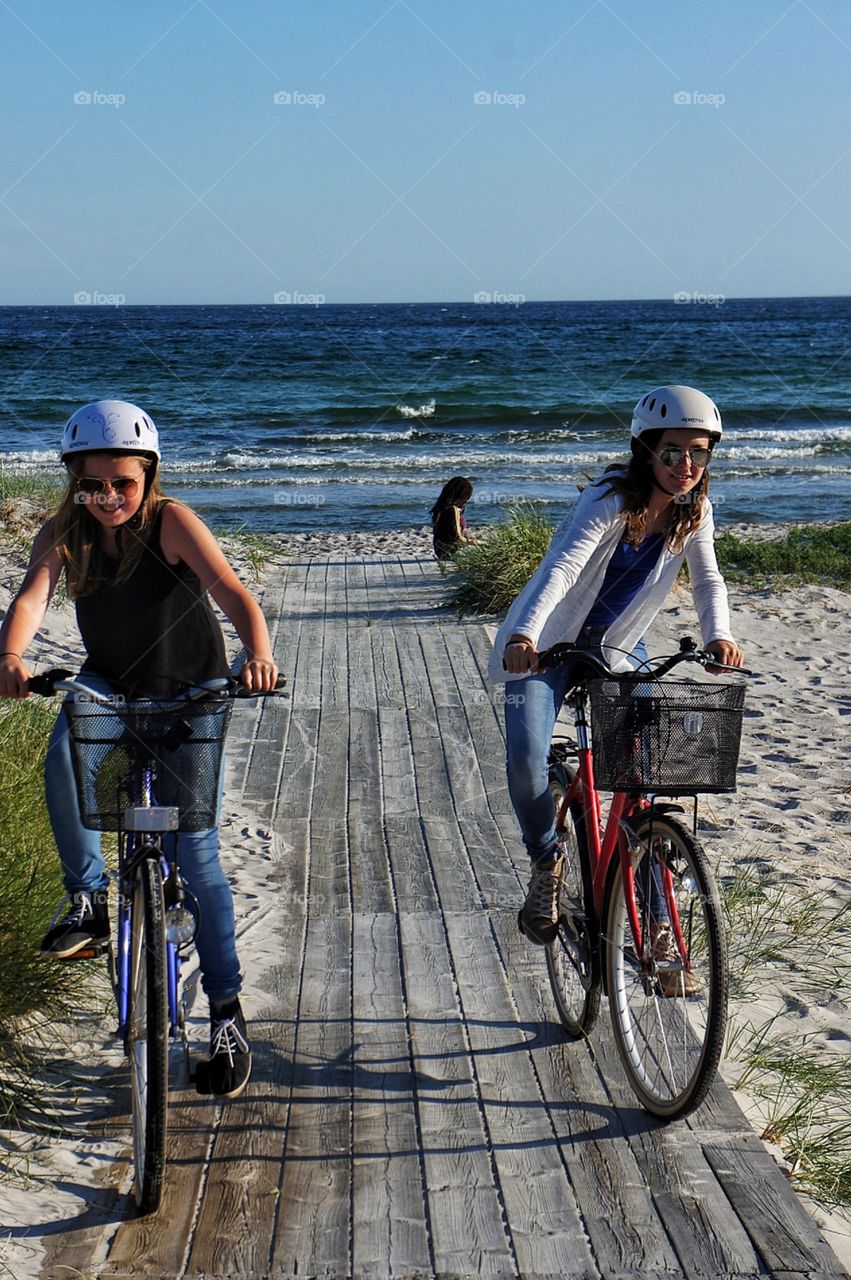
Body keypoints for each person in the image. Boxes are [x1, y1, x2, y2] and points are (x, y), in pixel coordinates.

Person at [0, 400, 278, 1100]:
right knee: (65, 749)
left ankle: (224, 1013)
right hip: (112, 686)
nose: (110, 497)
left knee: (198, 855)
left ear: (147, 476)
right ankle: (89, 901)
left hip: (190, 691)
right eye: (95, 484)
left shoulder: (173, 522)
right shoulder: (64, 531)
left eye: (124, 483)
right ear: (74, 481)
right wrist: (10, 653)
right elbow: (33, 596)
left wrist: (259, 653)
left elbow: (231, 590)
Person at [488, 385, 744, 980]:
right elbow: (563, 568)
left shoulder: (696, 510)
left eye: (699, 454)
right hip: (546, 644)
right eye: (673, 452)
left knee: (647, 776)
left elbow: (707, 580)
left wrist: (719, 636)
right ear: (645, 450)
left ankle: (656, 921)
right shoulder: (609, 498)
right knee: (525, 759)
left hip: (616, 644)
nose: (686, 466)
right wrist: (525, 636)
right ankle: (547, 861)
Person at [430, 475, 477, 560]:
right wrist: (470, 542)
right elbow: (456, 536)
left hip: (441, 551)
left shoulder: (442, 508)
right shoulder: (452, 510)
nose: (467, 500)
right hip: (451, 551)